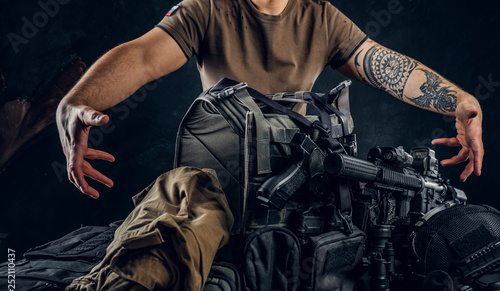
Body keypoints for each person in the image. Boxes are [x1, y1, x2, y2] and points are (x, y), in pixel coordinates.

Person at [56, 0, 483, 199]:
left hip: (298, 180)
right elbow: (143, 55)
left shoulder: (321, 16)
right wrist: (76, 102)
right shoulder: (205, 9)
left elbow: (384, 65)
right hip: (217, 187)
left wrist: (458, 101)